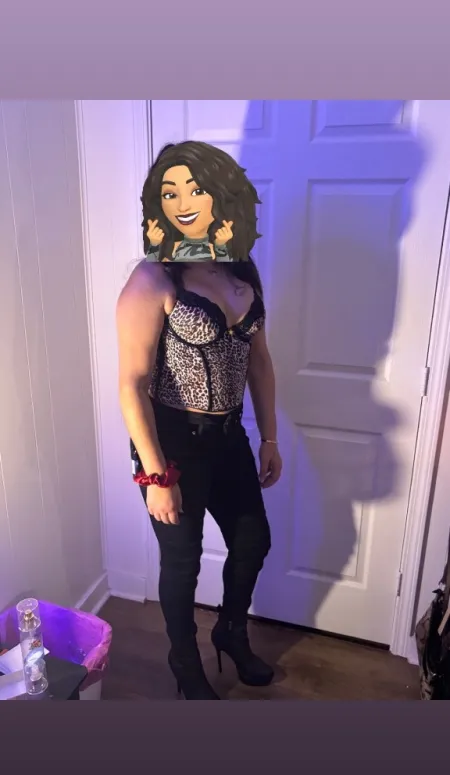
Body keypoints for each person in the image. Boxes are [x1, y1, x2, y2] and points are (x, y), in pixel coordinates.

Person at [116, 141, 282, 699]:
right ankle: (185, 663)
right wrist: (156, 475)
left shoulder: (241, 269)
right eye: (170, 192)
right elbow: (132, 384)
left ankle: (231, 632)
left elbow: (260, 361)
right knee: (182, 562)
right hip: (172, 444)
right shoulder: (153, 280)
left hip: (229, 436)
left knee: (253, 541)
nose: (183, 202)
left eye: (195, 189)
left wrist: (270, 437)